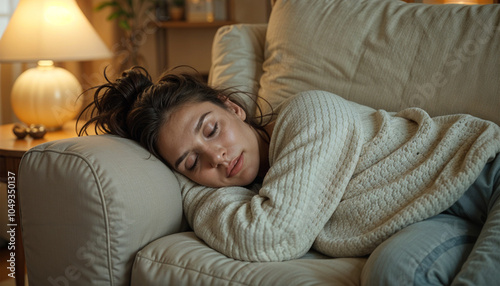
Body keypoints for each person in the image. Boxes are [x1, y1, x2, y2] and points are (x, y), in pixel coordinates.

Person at [79, 66, 500, 285]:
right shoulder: (257, 190)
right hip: (433, 214)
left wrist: (194, 190)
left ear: (232, 108)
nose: (216, 157)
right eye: (191, 163)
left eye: (211, 129)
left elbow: (273, 235)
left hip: (483, 173)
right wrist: (193, 184)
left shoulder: (309, 113)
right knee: (394, 273)